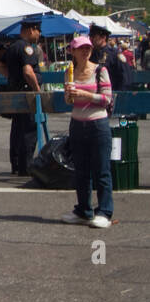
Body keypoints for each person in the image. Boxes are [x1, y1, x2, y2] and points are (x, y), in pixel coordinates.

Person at [61, 35, 113, 228]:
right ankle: (83, 210)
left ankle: (104, 211)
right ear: (73, 51)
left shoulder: (100, 70)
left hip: (97, 124)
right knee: (81, 170)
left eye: (88, 48)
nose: (85, 51)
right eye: (81, 48)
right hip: (77, 123)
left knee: (101, 170)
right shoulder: (69, 72)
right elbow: (68, 101)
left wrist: (84, 93)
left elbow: (106, 99)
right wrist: (69, 94)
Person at [0, 18, 42, 175]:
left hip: (15, 92)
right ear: (31, 30)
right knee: (28, 130)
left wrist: (11, 77)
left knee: (16, 129)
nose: (39, 34)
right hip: (26, 94)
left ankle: (15, 163)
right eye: (38, 30)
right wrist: (37, 90)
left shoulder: (13, 46)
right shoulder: (27, 48)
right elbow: (28, 71)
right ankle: (25, 166)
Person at [88, 24, 131, 94]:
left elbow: (125, 77)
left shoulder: (115, 54)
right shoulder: (90, 54)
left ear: (103, 37)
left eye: (93, 36)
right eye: (90, 36)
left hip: (112, 93)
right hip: (94, 95)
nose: (91, 39)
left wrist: (120, 95)